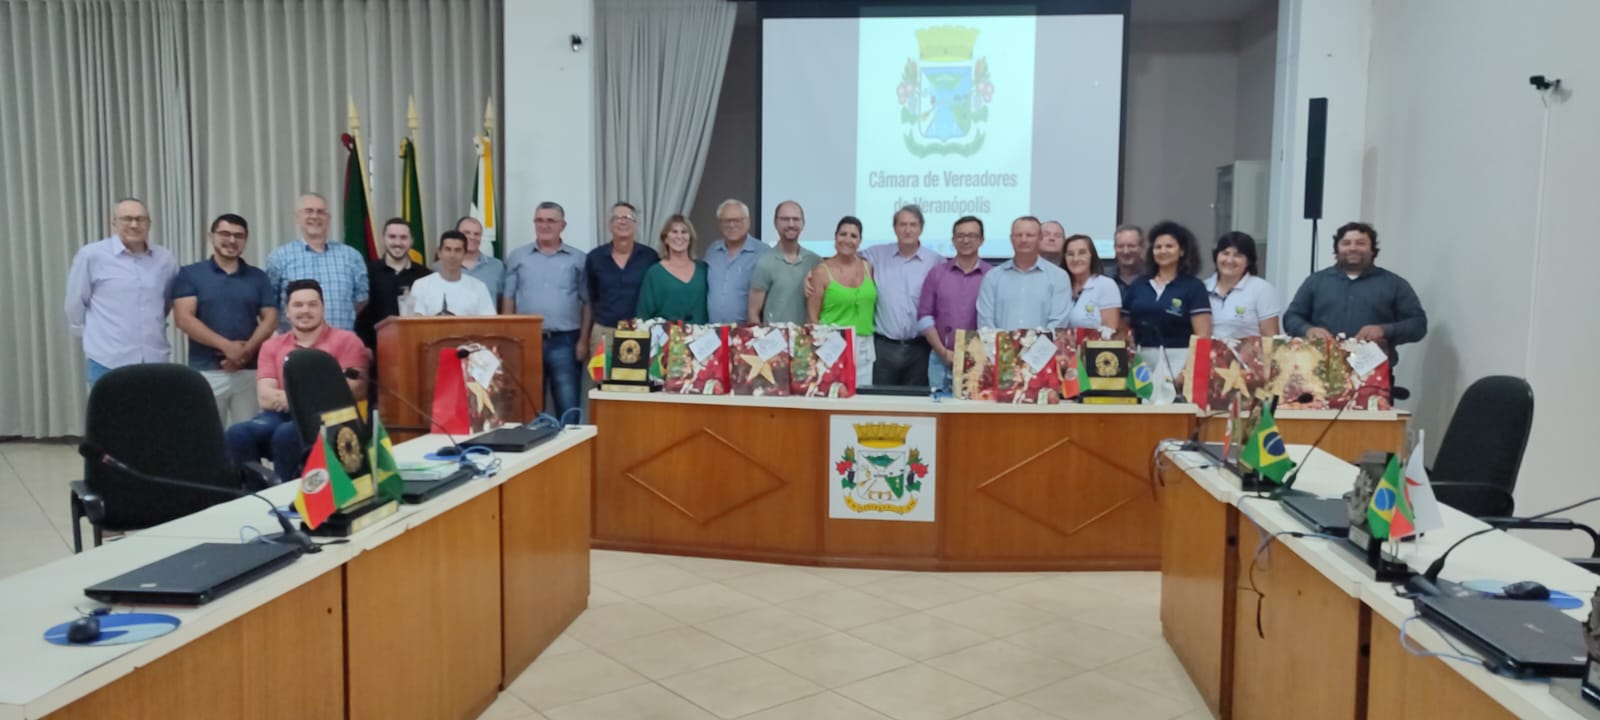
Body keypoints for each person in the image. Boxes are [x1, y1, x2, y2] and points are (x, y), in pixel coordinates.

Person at [225, 280, 368, 483]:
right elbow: (266, 397)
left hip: (330, 418)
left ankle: (291, 498)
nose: (305, 311)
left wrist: (294, 399)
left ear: (323, 308)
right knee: (237, 433)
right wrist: (313, 397)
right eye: (298, 305)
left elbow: (354, 389)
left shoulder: (347, 341)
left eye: (312, 304)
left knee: (287, 434)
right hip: (279, 415)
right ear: (287, 311)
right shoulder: (271, 346)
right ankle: (254, 496)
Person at [172, 213, 278, 425]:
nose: (231, 240)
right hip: (206, 371)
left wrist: (245, 352)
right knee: (208, 441)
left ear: (246, 240)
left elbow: (271, 318)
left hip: (249, 372)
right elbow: (184, 319)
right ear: (212, 237)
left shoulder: (258, 276)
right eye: (225, 234)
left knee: (249, 439)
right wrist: (228, 347)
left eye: (238, 236)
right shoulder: (190, 274)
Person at [65, 198, 179, 386]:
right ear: (114, 223)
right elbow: (75, 304)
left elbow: (165, 304)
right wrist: (95, 337)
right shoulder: (92, 255)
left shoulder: (165, 259)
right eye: (127, 219)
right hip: (107, 361)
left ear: (149, 223)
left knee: (153, 416)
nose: (134, 225)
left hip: (154, 359)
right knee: (109, 416)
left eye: (140, 219)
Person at [1284, 221, 1427, 366]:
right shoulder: (1315, 281)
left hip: (1374, 373)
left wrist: (1384, 330)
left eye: (1361, 243)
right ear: (1337, 249)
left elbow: (1418, 325)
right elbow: (1291, 318)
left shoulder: (1394, 284)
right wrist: (1308, 330)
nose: (1353, 248)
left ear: (1372, 250)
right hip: (1319, 369)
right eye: (1346, 243)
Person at [502, 201, 589, 420]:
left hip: (566, 341)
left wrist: (583, 341)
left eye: (551, 220)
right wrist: (508, 337)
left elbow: (588, 302)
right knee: (527, 406)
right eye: (539, 220)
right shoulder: (518, 257)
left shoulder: (579, 259)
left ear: (563, 225)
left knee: (568, 407)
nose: (545, 225)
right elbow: (508, 297)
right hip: (526, 341)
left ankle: (569, 452)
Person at [1122, 220, 1212, 402]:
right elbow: (1122, 328)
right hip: (1142, 361)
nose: (1163, 251)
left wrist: (1187, 372)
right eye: (1158, 247)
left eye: (1169, 246)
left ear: (1182, 251)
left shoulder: (1194, 287)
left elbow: (1203, 335)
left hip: (1178, 359)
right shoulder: (1139, 285)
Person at [859, 205, 943, 387]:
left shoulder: (936, 261)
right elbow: (844, 259)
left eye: (913, 224)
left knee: (916, 409)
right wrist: (814, 275)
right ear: (894, 228)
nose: (907, 230)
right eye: (902, 224)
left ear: (921, 228)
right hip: (883, 348)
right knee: (880, 407)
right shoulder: (876, 254)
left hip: (919, 349)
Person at [266, 193, 368, 331]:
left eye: (321, 212)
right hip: (296, 346)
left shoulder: (351, 256)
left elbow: (361, 300)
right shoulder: (279, 257)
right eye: (308, 211)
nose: (315, 216)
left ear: (329, 218)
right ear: (297, 217)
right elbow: (271, 304)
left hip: (341, 345)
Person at [917, 216, 992, 392]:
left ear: (981, 240)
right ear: (953, 240)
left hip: (981, 360)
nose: (965, 240)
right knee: (940, 413)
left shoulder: (992, 276)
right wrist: (943, 352)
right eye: (960, 236)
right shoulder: (937, 273)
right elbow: (924, 317)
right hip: (941, 359)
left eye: (972, 236)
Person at [806, 217, 878, 387]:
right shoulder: (821, 272)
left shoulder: (868, 267)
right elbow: (812, 316)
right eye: (843, 234)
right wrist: (819, 350)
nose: (847, 240)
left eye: (853, 236)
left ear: (860, 241)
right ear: (835, 237)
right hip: (832, 345)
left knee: (862, 404)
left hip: (864, 347)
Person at [586, 202, 659, 365]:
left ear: (636, 224)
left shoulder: (650, 257)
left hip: (638, 332)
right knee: (601, 385)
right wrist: (583, 340)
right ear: (609, 225)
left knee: (635, 386)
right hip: (603, 331)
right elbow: (591, 298)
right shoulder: (594, 258)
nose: (622, 221)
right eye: (616, 218)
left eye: (627, 217)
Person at [976, 216, 1072, 330]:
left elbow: (1058, 323)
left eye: (1030, 235)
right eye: (1018, 235)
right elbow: (986, 322)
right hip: (999, 347)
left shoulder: (1058, 277)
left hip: (1045, 347)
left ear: (1040, 238)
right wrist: (1003, 347)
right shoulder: (993, 277)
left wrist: (1037, 348)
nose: (1023, 240)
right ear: (1011, 239)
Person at [355, 218, 431, 348]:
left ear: (411, 241)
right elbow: (360, 314)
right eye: (392, 237)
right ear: (383, 239)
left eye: (403, 238)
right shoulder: (366, 272)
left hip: (415, 348)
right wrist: (364, 347)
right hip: (374, 350)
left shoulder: (425, 276)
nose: (397, 243)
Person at [748, 200, 821, 324]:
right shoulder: (765, 262)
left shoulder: (815, 261)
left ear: (803, 223)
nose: (791, 224)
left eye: (796, 219)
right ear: (775, 223)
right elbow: (753, 313)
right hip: (775, 340)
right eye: (785, 219)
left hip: (807, 339)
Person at [1206, 231, 1281, 339]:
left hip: (1246, 355)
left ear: (1249, 261)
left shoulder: (1262, 289)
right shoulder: (1202, 287)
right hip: (1206, 354)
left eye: (1238, 255)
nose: (1230, 260)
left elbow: (1270, 338)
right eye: (1225, 253)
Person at [635, 215, 708, 322]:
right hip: (665, 337)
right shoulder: (655, 273)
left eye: (684, 232)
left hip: (703, 337)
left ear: (690, 239)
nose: (679, 236)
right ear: (665, 239)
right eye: (674, 232)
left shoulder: (703, 269)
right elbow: (643, 315)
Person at [705, 199, 766, 324]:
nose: (732, 225)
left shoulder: (763, 252)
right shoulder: (712, 251)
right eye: (727, 221)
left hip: (748, 333)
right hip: (712, 334)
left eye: (737, 220)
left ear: (748, 221)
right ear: (719, 224)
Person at [410, 231, 497, 316]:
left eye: (458, 250)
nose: (452, 255)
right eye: (448, 249)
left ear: (464, 254)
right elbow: (416, 323)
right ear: (439, 253)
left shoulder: (479, 287)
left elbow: (488, 324)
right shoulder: (420, 285)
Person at [1063, 234, 1121, 331]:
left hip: (1095, 345)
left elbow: (1110, 331)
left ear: (1092, 256)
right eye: (1070, 254)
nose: (1075, 259)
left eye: (1082, 253)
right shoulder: (1061, 286)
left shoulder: (1106, 285)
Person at [449, 216, 505, 299]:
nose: (472, 237)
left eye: (477, 234)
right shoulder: (441, 266)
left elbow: (503, 300)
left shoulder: (497, 267)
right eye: (467, 233)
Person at [1108, 223, 1147, 291]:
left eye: (1131, 246)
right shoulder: (1104, 278)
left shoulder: (1154, 278)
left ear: (1142, 247)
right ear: (1114, 248)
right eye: (1120, 246)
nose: (1125, 251)